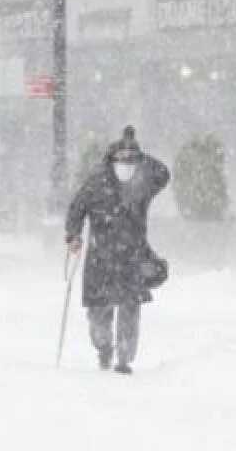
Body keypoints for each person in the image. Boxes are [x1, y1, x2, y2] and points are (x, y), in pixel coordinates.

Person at [65, 126, 169, 375]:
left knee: (129, 310)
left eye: (131, 157)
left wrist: (139, 152)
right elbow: (77, 208)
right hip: (100, 257)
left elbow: (163, 174)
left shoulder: (142, 183)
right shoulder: (96, 183)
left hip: (132, 256)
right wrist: (74, 235)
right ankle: (104, 348)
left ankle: (124, 358)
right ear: (111, 158)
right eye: (121, 157)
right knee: (98, 314)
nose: (126, 161)